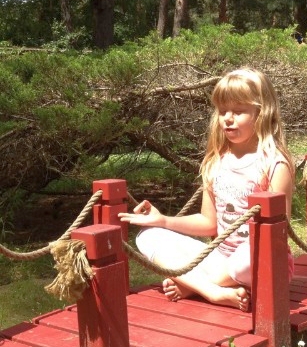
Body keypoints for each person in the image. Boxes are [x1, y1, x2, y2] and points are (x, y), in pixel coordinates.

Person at [119, 68, 295, 311]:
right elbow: (208, 222)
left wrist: (189, 276)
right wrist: (163, 221)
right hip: (219, 258)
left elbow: (278, 235)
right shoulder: (216, 162)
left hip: (260, 262)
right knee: (147, 236)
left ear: (262, 113)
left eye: (238, 111)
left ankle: (194, 285)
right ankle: (213, 292)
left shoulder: (274, 164)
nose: (228, 118)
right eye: (222, 111)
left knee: (251, 256)